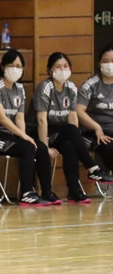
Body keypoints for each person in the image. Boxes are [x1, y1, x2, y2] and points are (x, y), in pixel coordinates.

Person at [26, 52, 112, 204]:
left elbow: (73, 116)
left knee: (70, 144)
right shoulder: (45, 88)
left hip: (59, 131)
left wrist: (74, 138)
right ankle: (91, 169)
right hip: (39, 132)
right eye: (58, 67)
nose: (62, 70)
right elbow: (41, 120)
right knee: (69, 132)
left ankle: (74, 190)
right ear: (50, 71)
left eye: (65, 66)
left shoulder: (71, 87)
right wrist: (45, 146)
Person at [0, 49, 57, 206]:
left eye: (19, 66)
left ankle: (47, 191)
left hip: (10, 134)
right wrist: (24, 137)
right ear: (3, 67)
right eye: (12, 65)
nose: (15, 69)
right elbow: (1, 118)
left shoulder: (20, 89)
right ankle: (27, 192)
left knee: (40, 147)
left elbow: (19, 117)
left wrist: (24, 135)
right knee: (27, 147)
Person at [77, 45, 113, 176]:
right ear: (99, 63)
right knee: (110, 149)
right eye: (105, 61)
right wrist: (97, 127)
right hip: (94, 132)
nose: (110, 65)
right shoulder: (91, 85)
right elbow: (79, 110)